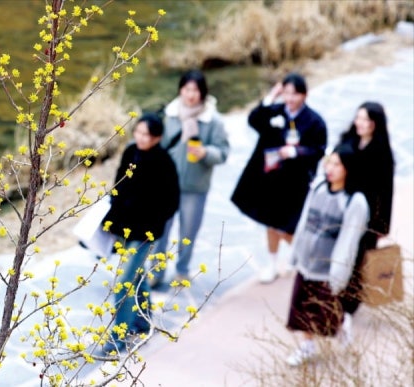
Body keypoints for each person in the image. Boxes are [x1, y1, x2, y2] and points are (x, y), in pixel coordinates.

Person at [231, 73, 327, 283]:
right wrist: (270, 97)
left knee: (289, 226)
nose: (290, 99)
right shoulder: (275, 111)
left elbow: (318, 150)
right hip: (271, 178)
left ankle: (304, 259)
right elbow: (253, 119)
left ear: (304, 95)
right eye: (286, 93)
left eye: (295, 94)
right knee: (270, 223)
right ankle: (273, 263)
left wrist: (295, 152)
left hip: (295, 182)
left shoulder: (314, 121)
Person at [99, 112, 180, 353]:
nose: (141, 138)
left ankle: (119, 336)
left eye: (147, 134)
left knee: (124, 282)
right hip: (123, 228)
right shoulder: (130, 151)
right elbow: (118, 185)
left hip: (145, 233)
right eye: (139, 132)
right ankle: (143, 319)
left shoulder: (164, 161)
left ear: (157, 137)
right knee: (137, 274)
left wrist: (152, 226)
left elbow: (171, 201)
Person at [285, 144, 369, 366]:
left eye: (337, 164)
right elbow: (305, 220)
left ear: (348, 168)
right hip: (306, 263)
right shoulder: (319, 187)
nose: (330, 168)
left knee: (325, 312)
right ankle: (307, 346)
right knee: (302, 310)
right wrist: (295, 254)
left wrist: (338, 274)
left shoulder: (354, 201)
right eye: (329, 162)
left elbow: (348, 242)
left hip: (327, 269)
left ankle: (343, 325)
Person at [150, 70, 230, 286]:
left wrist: (206, 153)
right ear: (180, 90)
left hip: (195, 186)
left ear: (202, 92)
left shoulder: (213, 120)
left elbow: (223, 152)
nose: (191, 94)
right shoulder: (170, 115)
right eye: (187, 89)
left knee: (188, 232)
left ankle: (182, 271)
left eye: (195, 90)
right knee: (160, 230)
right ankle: (156, 272)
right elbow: (157, 145)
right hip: (167, 184)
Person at [336, 101, 395, 344]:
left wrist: (382, 225)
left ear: (375, 124)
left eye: (366, 119)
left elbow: (385, 192)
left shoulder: (381, 152)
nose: (360, 123)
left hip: (368, 216)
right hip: (345, 209)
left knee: (358, 262)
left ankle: (348, 310)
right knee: (342, 256)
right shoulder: (349, 141)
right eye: (358, 118)